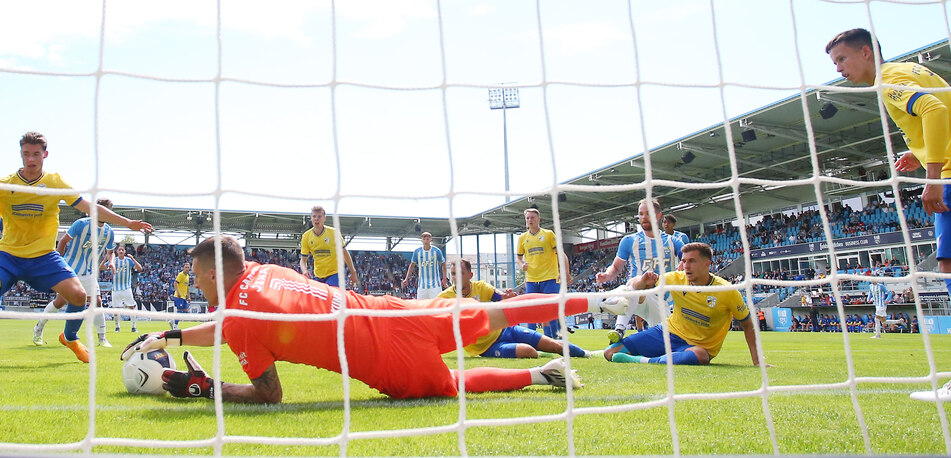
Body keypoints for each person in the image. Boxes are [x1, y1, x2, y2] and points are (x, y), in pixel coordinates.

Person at [121, 236, 630, 403]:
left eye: (197, 274)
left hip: (385, 360)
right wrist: (171, 332)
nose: (196, 282)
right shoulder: (263, 269)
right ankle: (598, 301)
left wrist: (209, 388)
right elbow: (235, 322)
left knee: (451, 384)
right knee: (494, 311)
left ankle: (539, 374)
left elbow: (271, 394)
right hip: (391, 311)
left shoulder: (238, 320)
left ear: (211, 273)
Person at [0, 132, 152, 363]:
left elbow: (91, 207)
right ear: (20, 154)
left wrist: (127, 222)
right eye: (26, 154)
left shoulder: (54, 183)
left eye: (36, 154)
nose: (30, 159)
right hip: (9, 255)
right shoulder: (6, 184)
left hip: (43, 256)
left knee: (79, 295)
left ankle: (69, 337)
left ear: (45, 155)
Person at [827, 28, 951, 299]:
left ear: (866, 52)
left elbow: (935, 110)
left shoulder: (889, 80)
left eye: (841, 59)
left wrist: (932, 178)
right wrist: (919, 153)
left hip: (948, 177)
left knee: (948, 264)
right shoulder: (911, 70)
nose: (838, 69)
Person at [604, 242, 766, 367]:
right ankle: (654, 358)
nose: (686, 266)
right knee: (610, 352)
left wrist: (757, 361)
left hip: (698, 347)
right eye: (684, 261)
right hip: (668, 333)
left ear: (707, 263)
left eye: (692, 261)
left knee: (701, 356)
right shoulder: (675, 279)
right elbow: (638, 287)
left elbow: (747, 324)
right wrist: (643, 281)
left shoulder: (727, 291)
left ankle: (643, 361)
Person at [438, 258, 589, 359]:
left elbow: (502, 298)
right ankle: (542, 353)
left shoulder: (482, 287)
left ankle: (587, 354)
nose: (455, 277)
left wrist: (508, 297)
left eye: (460, 273)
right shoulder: (444, 298)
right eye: (453, 274)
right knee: (529, 352)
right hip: (487, 347)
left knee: (553, 344)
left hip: (505, 329)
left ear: (470, 275)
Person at [595, 198, 684, 342]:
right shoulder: (629, 241)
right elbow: (616, 267)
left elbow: (689, 258)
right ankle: (619, 329)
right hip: (636, 295)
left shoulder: (673, 241)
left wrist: (683, 265)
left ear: (659, 216)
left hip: (661, 300)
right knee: (634, 285)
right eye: (641, 214)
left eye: (648, 213)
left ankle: (628, 345)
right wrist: (606, 275)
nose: (643, 217)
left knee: (665, 342)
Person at [33, 198, 118, 348]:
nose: (107, 213)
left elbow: (110, 252)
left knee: (97, 302)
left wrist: (111, 261)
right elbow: (63, 241)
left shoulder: (109, 232)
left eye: (109, 210)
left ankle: (102, 338)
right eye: (104, 210)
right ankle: (38, 328)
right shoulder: (81, 224)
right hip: (70, 269)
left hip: (89, 272)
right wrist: (57, 262)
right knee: (60, 303)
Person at [516, 207, 571, 339]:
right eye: (527, 218)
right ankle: (532, 340)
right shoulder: (523, 238)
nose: (530, 220)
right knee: (531, 311)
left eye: (532, 217)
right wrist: (522, 264)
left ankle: (557, 340)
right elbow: (518, 257)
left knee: (551, 309)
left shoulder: (548, 234)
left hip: (550, 278)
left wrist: (566, 272)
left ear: (539, 219)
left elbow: (561, 254)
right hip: (531, 280)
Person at [299, 206, 359, 289]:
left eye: (319, 216)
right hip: (318, 276)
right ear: (311, 218)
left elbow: (344, 253)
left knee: (331, 297)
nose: (316, 219)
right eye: (314, 216)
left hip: (334, 274)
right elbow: (303, 260)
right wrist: (305, 270)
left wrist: (353, 272)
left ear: (324, 218)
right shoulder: (306, 236)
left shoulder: (334, 233)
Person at [401, 232, 447, 300]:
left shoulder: (436, 251)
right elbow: (412, 265)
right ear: (421, 240)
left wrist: (444, 278)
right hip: (422, 286)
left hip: (435, 285)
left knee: (436, 306)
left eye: (427, 239)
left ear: (431, 240)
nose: (426, 241)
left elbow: (444, 264)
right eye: (424, 239)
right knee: (421, 306)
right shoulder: (417, 252)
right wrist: (406, 279)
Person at [110, 244, 143, 332]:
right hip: (115, 289)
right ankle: (117, 327)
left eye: (122, 250)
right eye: (119, 250)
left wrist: (133, 258)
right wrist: (107, 258)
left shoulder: (128, 260)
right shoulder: (113, 260)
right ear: (117, 252)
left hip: (126, 288)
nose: (121, 251)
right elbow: (101, 267)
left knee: (131, 307)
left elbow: (140, 268)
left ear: (124, 252)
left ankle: (133, 327)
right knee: (116, 309)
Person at [170, 262, 191, 329]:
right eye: (186, 267)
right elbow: (175, 283)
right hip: (179, 296)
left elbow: (187, 287)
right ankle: (175, 326)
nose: (187, 269)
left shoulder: (187, 276)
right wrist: (178, 292)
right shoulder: (181, 275)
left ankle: (173, 320)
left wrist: (189, 296)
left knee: (185, 311)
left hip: (184, 297)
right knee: (180, 310)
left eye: (188, 267)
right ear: (183, 268)